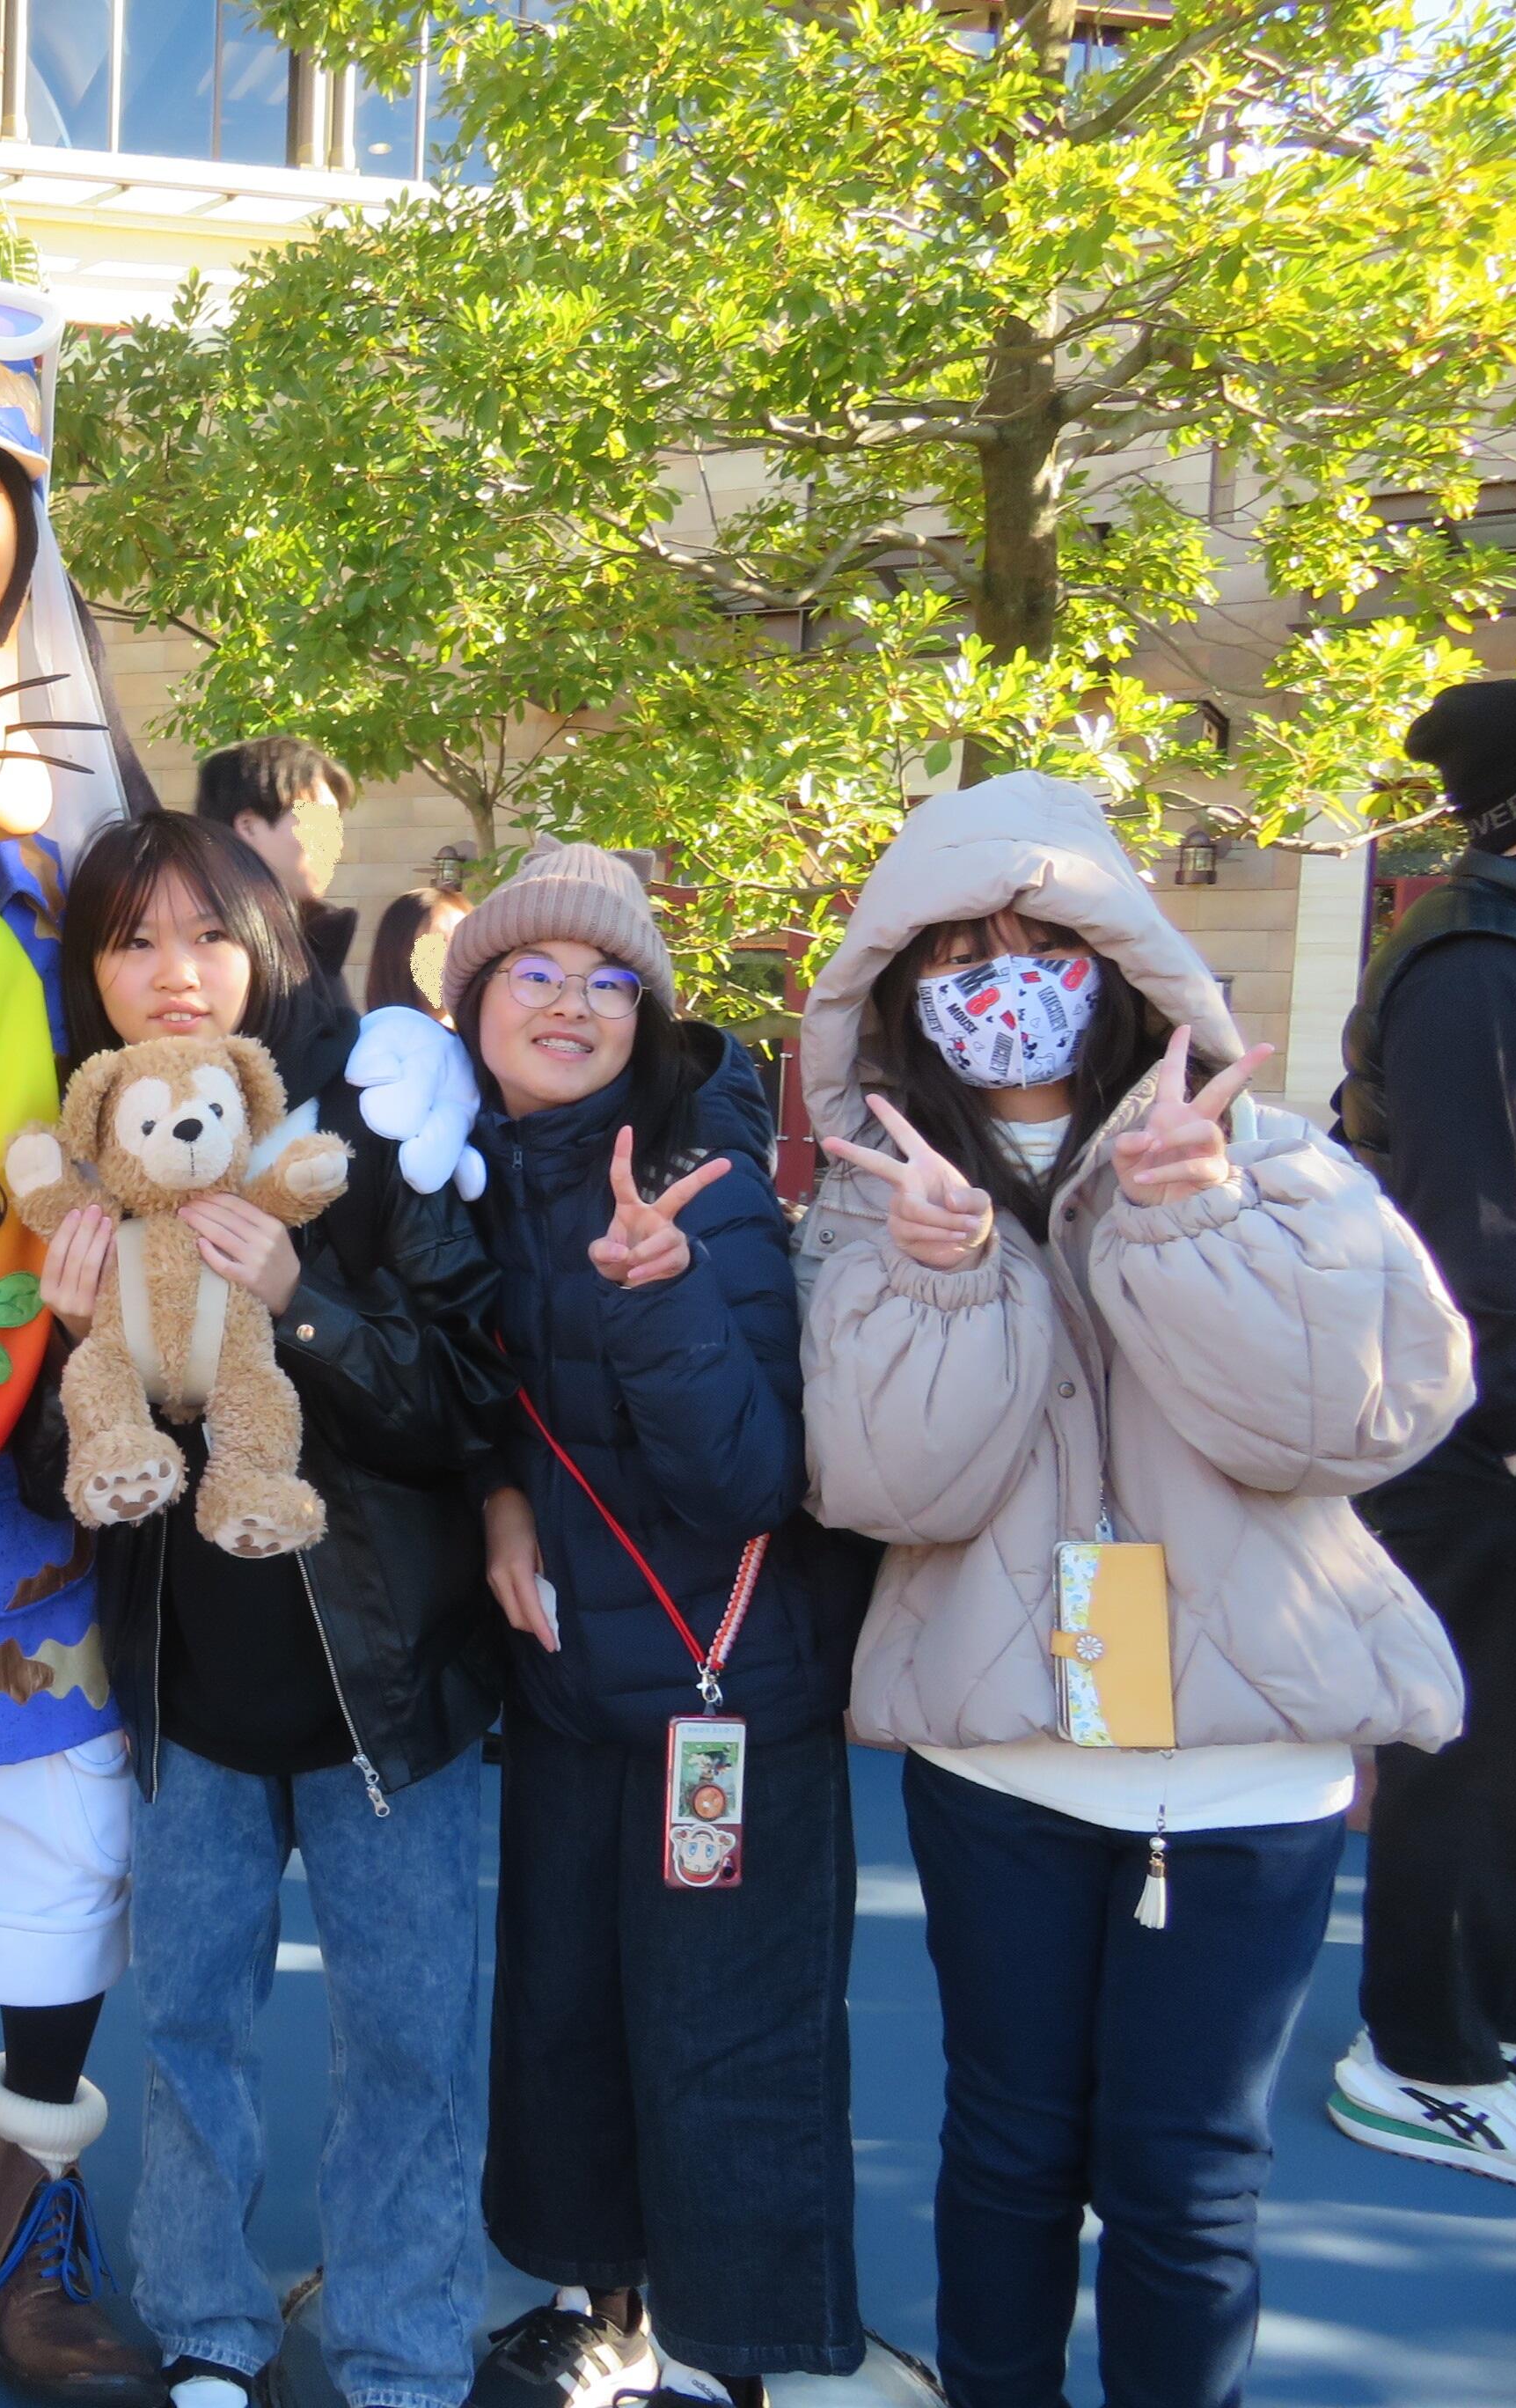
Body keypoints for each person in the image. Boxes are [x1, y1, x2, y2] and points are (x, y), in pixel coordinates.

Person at [795, 773, 1468, 2408]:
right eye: (956, 953)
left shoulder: (1277, 1163)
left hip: (1247, 1769)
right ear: (897, 989)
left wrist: (1192, 1224)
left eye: (1042, 943)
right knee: (1007, 2147)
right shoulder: (867, 1214)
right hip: (1001, 1762)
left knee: (1187, 2180)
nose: (1002, 982)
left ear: (1122, 960)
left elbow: (1348, 1427)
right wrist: (946, 1283)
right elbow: (887, 1490)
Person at [19, 810, 514, 2408]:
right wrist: (69, 1353)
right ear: (90, 973)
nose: (173, 972)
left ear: (267, 943)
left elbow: (466, 1398)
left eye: (205, 935)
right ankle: (207, 2327)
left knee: (412, 2042)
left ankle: (400, 2348)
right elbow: (49, 1478)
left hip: (388, 1691)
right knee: (187, 2027)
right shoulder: (80, 1160)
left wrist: (302, 1305)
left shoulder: (369, 1127)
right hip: (188, 1694)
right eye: (131, 941)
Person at [445, 844, 861, 2408]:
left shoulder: (706, 1183)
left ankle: (718, 2355)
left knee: (727, 2035)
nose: (569, 1004)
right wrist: (498, 1497)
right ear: (473, 1002)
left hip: (725, 1689)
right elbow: (473, 1402)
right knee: (561, 2012)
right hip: (569, 1685)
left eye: (608, 981)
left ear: (648, 1017)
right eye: (534, 973)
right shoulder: (467, 1175)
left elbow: (746, 1479)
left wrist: (660, 1288)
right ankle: (595, 2305)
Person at [1328, 676, 1516, 2178]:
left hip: (1496, 1425)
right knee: (1471, 1754)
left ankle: (1498, 2027)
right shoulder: (1470, 959)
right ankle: (1423, 2059)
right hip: (1483, 1440)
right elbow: (1476, 1238)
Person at [194, 738, 357, 984]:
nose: (337, 844)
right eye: (319, 823)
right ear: (249, 827)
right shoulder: (202, 962)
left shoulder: (315, 950)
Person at [363, 885, 471, 1024]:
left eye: (464, 942)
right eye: (439, 944)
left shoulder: (486, 1035)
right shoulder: (382, 1035)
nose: (458, 958)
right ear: (402, 954)